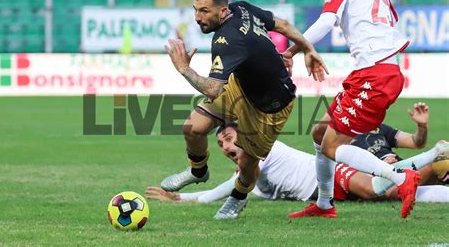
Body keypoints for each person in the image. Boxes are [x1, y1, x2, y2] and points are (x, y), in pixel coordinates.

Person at [161, 0, 328, 219]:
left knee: (248, 164)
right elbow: (283, 25)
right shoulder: (241, 8)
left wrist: (184, 68)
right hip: (240, 86)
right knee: (192, 128)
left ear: (221, 11)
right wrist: (306, 48)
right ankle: (198, 171)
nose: (198, 18)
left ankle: (238, 199)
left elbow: (212, 89)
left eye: (204, 11)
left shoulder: (226, 41)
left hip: (269, 108)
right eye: (196, 10)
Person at [283, 0, 417, 219]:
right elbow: (389, 19)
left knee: (333, 146)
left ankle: (401, 178)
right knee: (320, 133)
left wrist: (292, 50)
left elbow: (325, 22)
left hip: (375, 73)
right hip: (381, 70)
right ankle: (324, 203)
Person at [147, 121, 449, 205]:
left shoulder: (260, 150)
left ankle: (434, 155)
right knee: (389, 193)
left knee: (379, 191)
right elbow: (241, 188)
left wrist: (183, 198)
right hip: (326, 191)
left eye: (228, 138)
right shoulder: (251, 173)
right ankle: (438, 171)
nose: (226, 146)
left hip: (331, 175)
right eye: (221, 143)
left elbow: (229, 188)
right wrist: (183, 197)